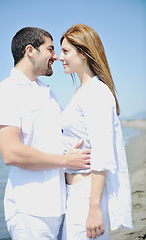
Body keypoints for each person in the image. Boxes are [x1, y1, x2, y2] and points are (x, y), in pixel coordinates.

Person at [0, 27, 91, 240]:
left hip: (61, 204)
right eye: (50, 49)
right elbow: (11, 153)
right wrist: (65, 160)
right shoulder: (4, 92)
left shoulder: (48, 93)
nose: (55, 56)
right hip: (30, 211)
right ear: (30, 51)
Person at [59, 24, 133, 240]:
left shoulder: (96, 92)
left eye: (66, 51)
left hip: (87, 196)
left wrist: (94, 208)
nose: (59, 56)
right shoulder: (81, 91)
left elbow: (102, 153)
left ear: (83, 53)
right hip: (74, 194)